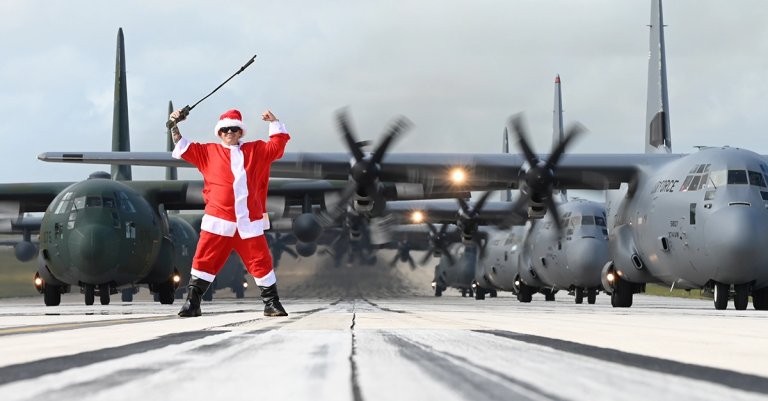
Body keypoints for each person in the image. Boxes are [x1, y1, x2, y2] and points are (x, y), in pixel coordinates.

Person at [168, 108, 290, 317]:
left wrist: (275, 122)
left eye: (234, 129)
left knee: (261, 261)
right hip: (218, 220)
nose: (229, 132)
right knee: (203, 260)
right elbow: (181, 144)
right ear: (219, 132)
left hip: (248, 222)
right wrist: (173, 124)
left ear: (240, 132)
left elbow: (277, 147)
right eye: (225, 129)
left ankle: (272, 303)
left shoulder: (256, 151)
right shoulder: (207, 152)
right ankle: (192, 303)